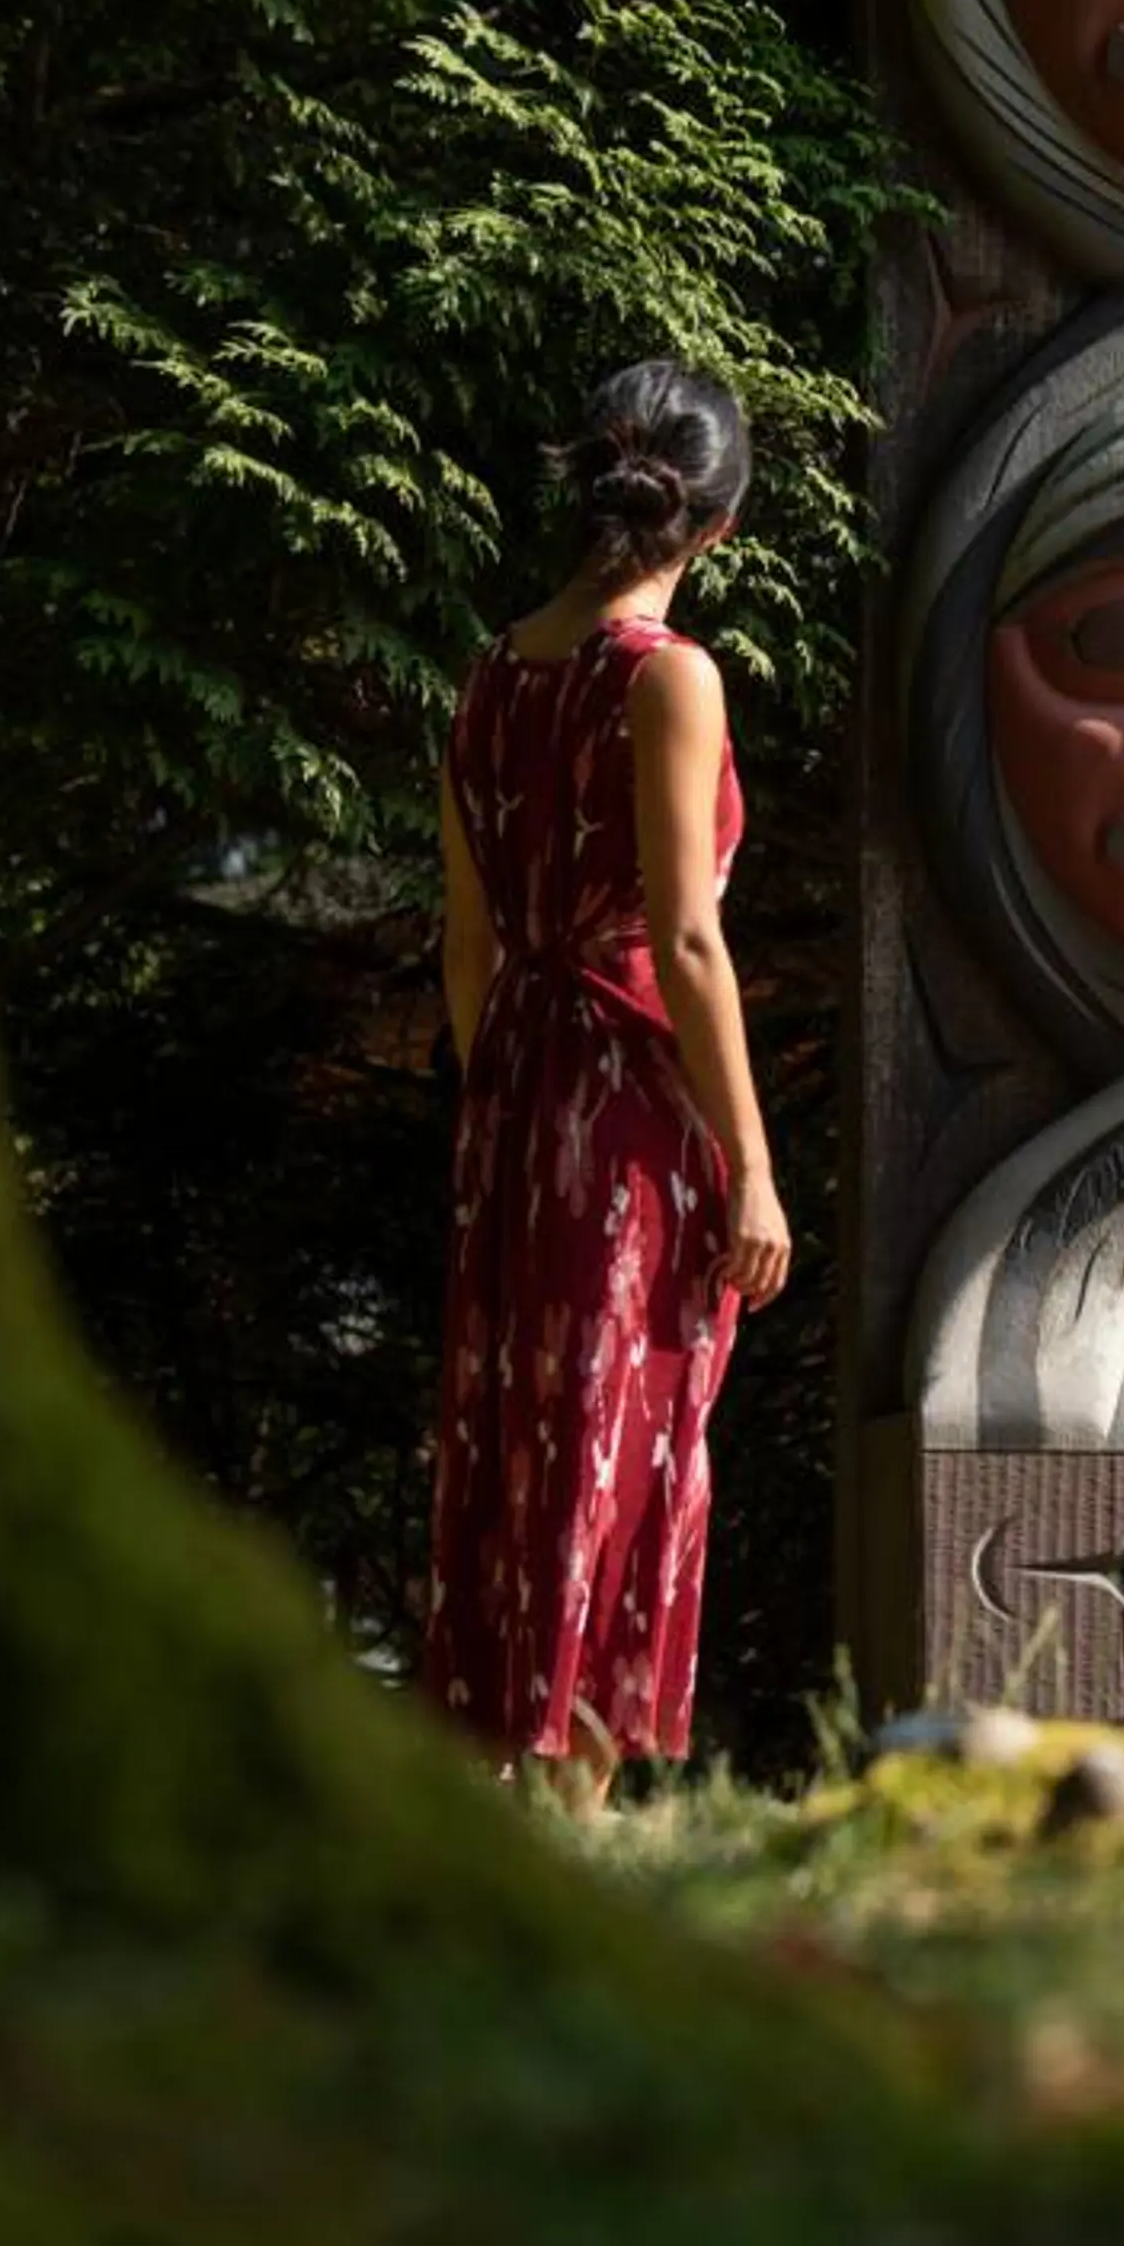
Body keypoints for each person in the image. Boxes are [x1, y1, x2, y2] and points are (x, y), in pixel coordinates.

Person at [421, 359, 793, 1802]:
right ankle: (571, 1811)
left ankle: (502, 1789)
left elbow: (467, 944)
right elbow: (686, 937)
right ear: (720, 525)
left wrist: (504, 1107)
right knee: (620, 1435)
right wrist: (752, 1167)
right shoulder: (667, 677)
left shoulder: (490, 672)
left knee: (516, 1435)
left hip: (514, 1091)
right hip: (631, 1097)